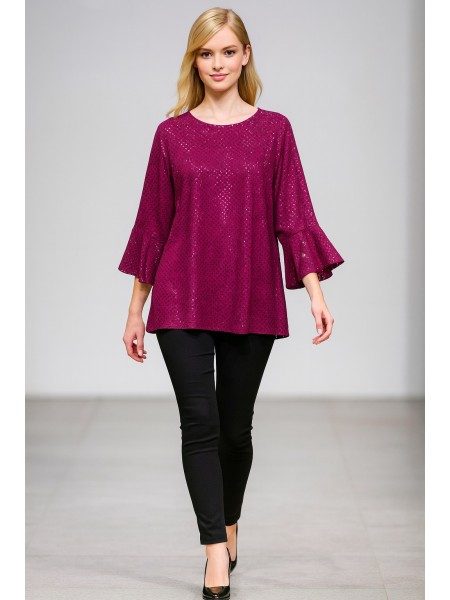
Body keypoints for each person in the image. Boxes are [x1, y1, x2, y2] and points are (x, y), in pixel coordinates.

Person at [117, 7, 344, 599]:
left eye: (226, 51)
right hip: (180, 295)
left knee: (234, 431)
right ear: (194, 61)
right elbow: (153, 225)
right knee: (199, 423)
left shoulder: (274, 131)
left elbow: (293, 216)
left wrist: (315, 292)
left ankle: (230, 519)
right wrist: (136, 309)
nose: (216, 63)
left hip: (251, 293)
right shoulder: (171, 135)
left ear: (245, 57)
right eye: (205, 53)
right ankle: (214, 549)